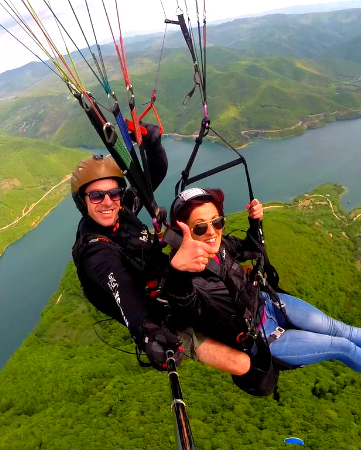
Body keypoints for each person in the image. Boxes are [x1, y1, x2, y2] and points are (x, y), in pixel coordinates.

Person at [163, 187, 361, 386]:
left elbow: (253, 249)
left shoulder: (222, 245)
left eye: (217, 221)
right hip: (264, 339)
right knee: (341, 346)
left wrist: (255, 222)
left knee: (341, 329)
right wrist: (178, 270)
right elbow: (186, 311)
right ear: (183, 230)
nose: (212, 231)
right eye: (199, 227)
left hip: (270, 304)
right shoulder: (186, 276)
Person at [70, 126, 249, 375]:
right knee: (241, 365)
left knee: (238, 287)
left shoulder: (123, 212)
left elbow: (150, 178)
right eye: (97, 196)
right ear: (82, 201)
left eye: (114, 193)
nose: (109, 202)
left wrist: (153, 145)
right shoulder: (95, 252)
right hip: (160, 315)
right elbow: (122, 288)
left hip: (175, 279)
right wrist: (147, 332)